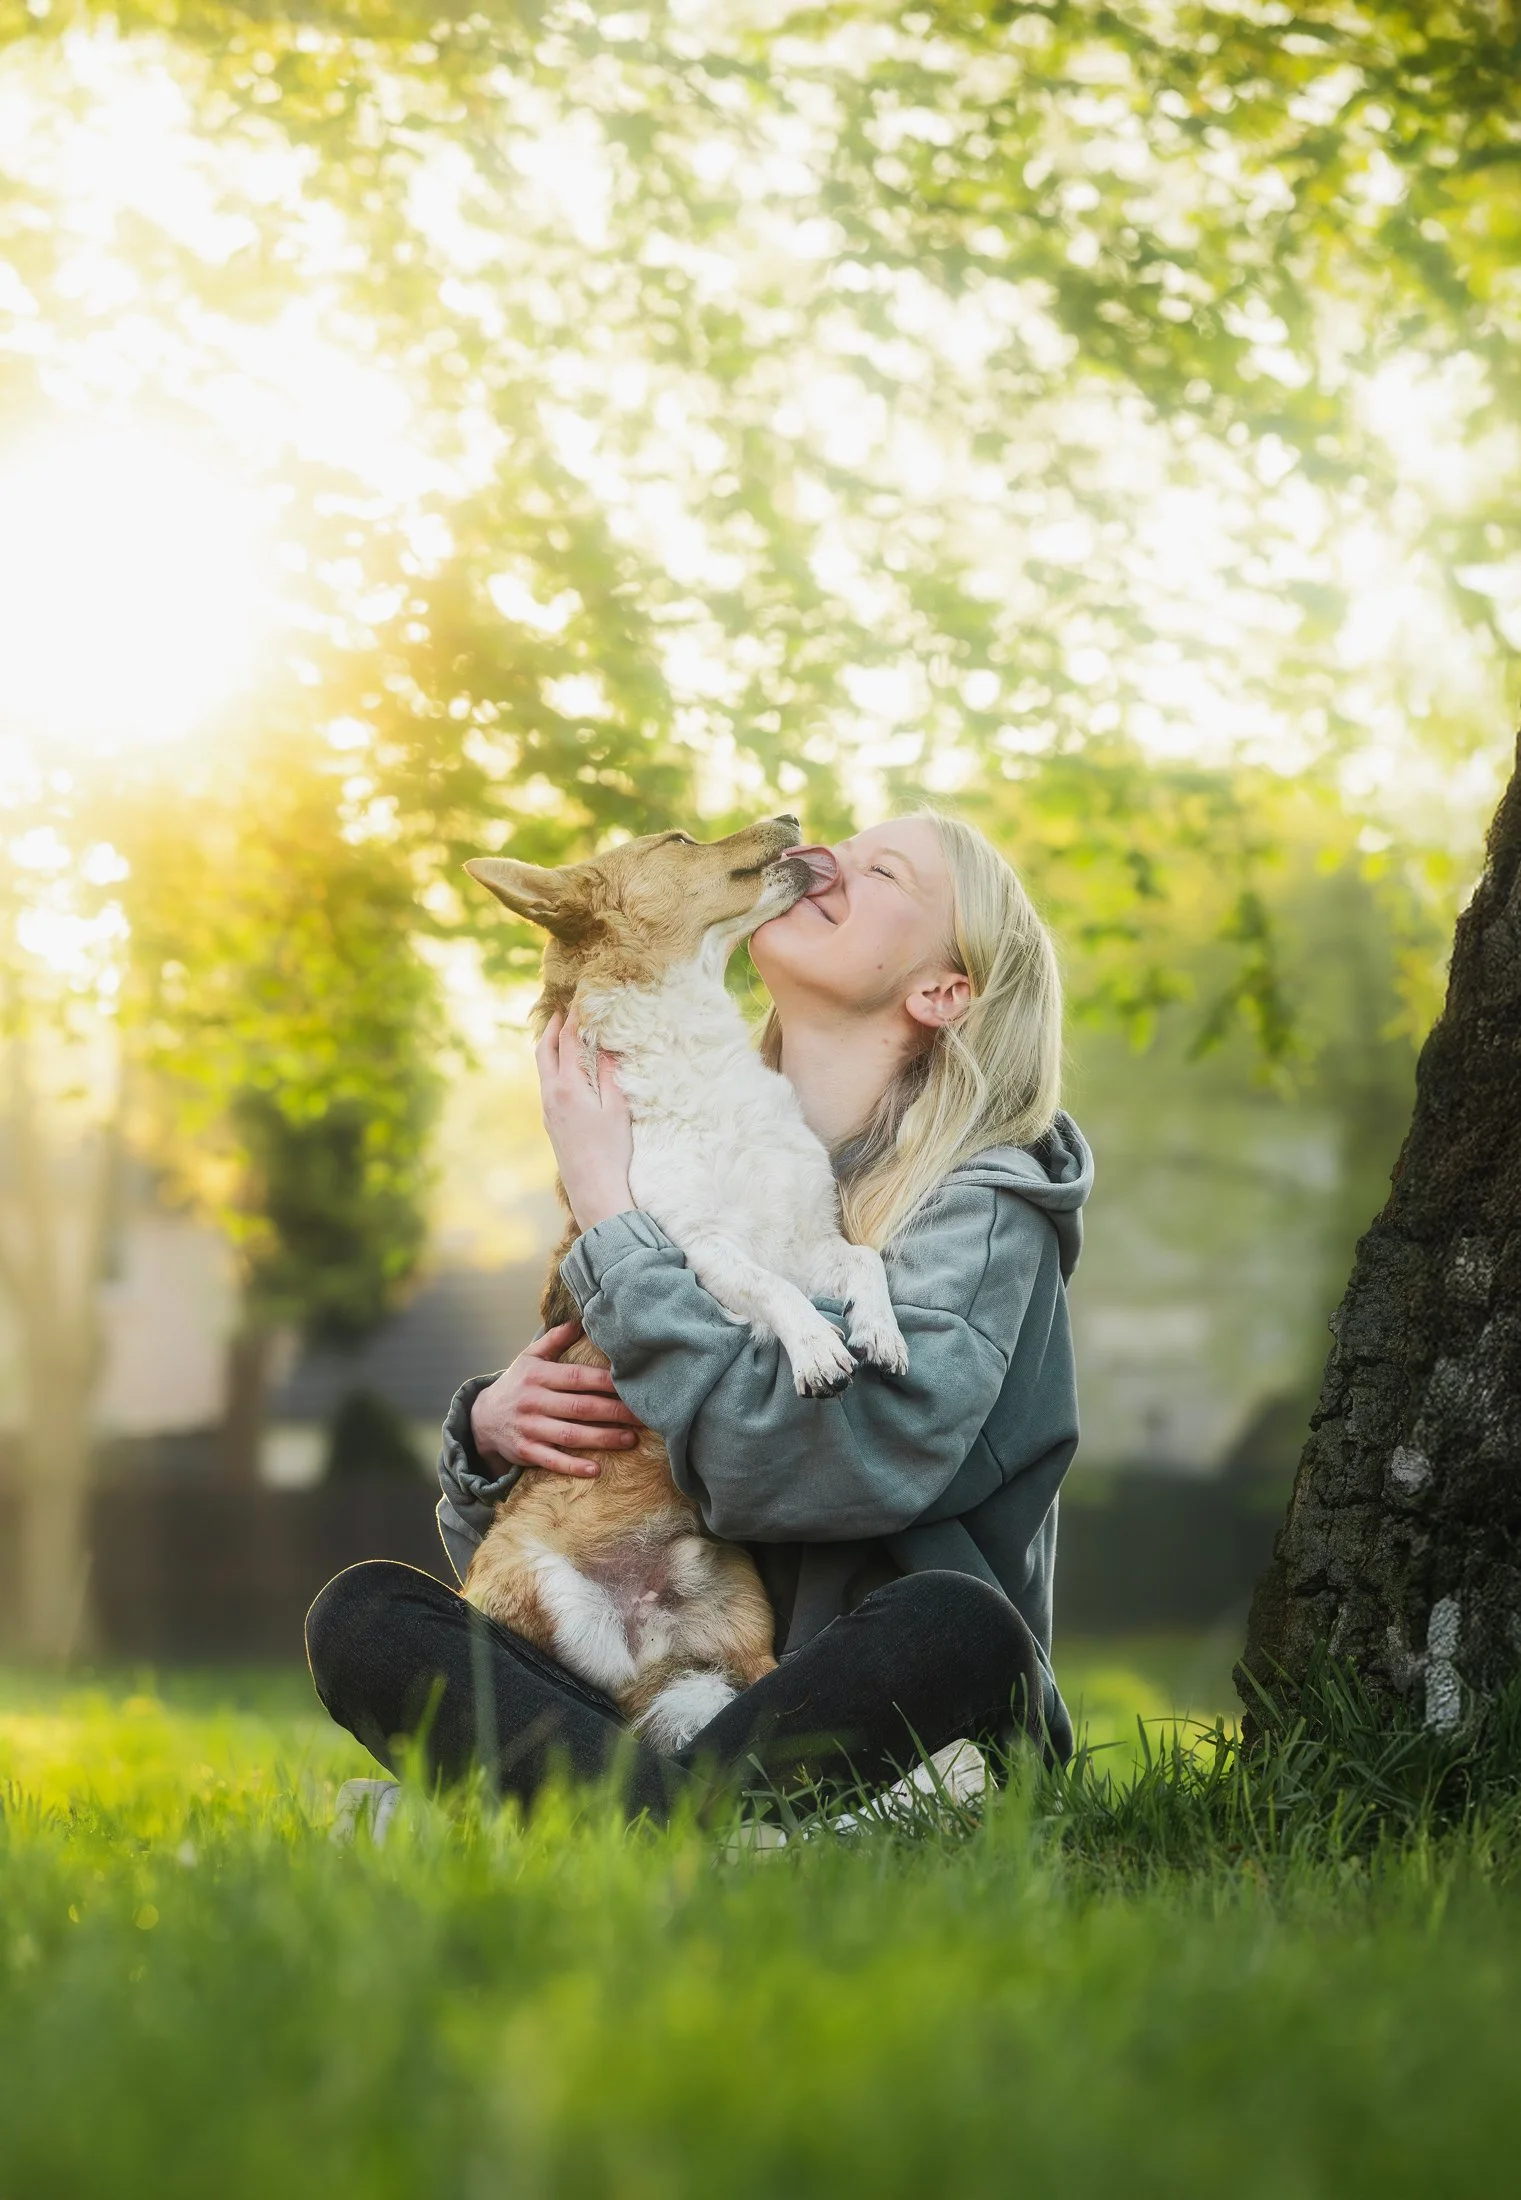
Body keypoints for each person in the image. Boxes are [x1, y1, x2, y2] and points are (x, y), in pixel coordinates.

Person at [306, 814, 1093, 1821]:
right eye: (846, 841)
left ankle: (562, 1815)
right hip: (672, 1692)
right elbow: (565, 1549)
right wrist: (497, 1437)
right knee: (364, 1612)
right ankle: (703, 1831)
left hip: (861, 1693)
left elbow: (826, 1471)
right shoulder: (682, 1144)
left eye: (882, 867)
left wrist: (609, 1214)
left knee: (962, 1623)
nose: (827, 855)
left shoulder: (982, 1208)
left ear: (940, 990)